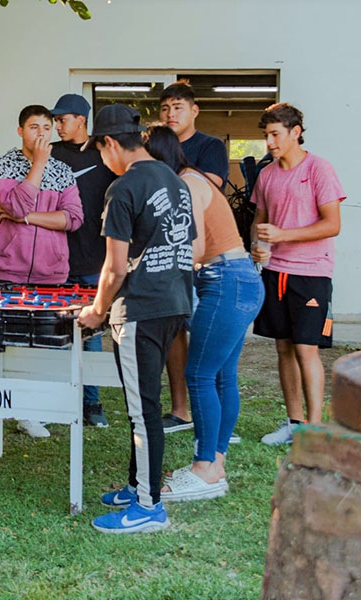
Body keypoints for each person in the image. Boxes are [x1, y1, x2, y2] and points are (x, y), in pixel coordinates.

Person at [78, 104, 194, 534]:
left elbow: (115, 267)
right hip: (175, 303)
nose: (102, 162)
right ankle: (136, 485)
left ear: (110, 144)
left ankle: (147, 506)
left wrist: (96, 311)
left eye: (100, 152)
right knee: (145, 404)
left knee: (142, 411)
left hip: (140, 309)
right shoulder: (172, 179)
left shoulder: (123, 187)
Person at [145, 125, 264, 501]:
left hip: (224, 280)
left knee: (198, 374)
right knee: (222, 376)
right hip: (240, 277)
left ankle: (204, 469)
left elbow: (193, 248)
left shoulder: (187, 185)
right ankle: (216, 464)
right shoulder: (194, 179)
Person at [0, 104, 84, 443]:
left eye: (47, 127)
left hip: (51, 271)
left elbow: (73, 219)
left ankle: (26, 411)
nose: (42, 134)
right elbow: (15, 204)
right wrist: (38, 166)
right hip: (8, 266)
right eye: (34, 127)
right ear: (20, 131)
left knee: (36, 347)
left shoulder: (63, 171)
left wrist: (28, 218)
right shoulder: (5, 164)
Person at [250, 103, 344, 445]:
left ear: (296, 132)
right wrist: (257, 246)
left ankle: (314, 431)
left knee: (307, 349)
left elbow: (332, 224)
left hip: (312, 274)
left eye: (275, 134)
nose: (270, 142)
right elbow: (259, 222)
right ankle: (293, 422)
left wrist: (283, 235)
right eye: (266, 136)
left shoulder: (320, 169)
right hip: (275, 272)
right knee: (283, 348)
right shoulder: (266, 174)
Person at [159, 80, 231, 436]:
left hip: (208, 261)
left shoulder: (209, 147)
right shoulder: (160, 146)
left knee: (209, 342)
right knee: (175, 330)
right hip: (173, 256)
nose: (171, 114)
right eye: (166, 108)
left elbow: (213, 182)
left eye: (178, 107)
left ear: (194, 110)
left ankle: (216, 419)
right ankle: (180, 409)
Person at [51, 93, 116, 428]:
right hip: (58, 260)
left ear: (81, 119)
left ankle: (92, 404)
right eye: (56, 121)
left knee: (92, 333)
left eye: (63, 120)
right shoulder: (50, 154)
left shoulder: (102, 153)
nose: (58, 126)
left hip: (95, 259)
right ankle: (59, 400)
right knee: (57, 330)